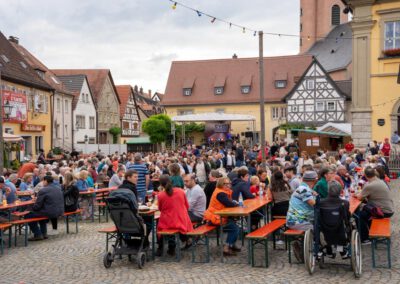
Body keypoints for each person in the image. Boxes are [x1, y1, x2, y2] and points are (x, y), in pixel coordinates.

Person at [156, 175, 193, 256]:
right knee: (171, 222)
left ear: (161, 185)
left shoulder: (161, 195)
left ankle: (161, 248)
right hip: (182, 220)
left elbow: (160, 209)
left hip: (169, 222)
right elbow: (187, 206)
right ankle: (176, 243)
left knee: (160, 225)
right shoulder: (181, 191)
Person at [203, 177, 240, 256]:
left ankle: (231, 245)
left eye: (228, 183)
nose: (228, 185)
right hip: (214, 218)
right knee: (235, 228)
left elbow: (229, 202)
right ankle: (226, 248)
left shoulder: (223, 192)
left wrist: (233, 203)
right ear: (220, 184)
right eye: (225, 184)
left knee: (234, 225)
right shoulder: (220, 193)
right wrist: (236, 204)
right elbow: (229, 204)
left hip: (218, 216)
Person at [356, 167, 394, 244]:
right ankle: (371, 231)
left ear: (365, 175)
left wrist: (355, 194)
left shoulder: (370, 185)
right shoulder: (380, 181)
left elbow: (359, 197)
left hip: (383, 212)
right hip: (389, 209)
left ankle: (365, 239)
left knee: (359, 215)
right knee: (365, 211)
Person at [26, 175, 64, 241]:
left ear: (46, 181)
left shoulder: (43, 190)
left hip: (50, 211)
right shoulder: (58, 188)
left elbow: (37, 206)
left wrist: (30, 208)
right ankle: (44, 233)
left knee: (28, 215)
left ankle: (37, 234)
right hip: (60, 210)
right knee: (40, 214)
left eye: (43, 181)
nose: (42, 182)